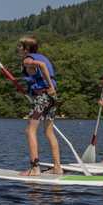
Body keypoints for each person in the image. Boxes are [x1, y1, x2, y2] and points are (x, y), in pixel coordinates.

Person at [17, 36, 61, 175]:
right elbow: (38, 74)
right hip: (51, 98)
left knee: (30, 131)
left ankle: (35, 167)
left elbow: (41, 66)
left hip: (43, 97)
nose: (18, 48)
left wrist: (49, 85)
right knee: (49, 132)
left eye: (20, 46)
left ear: (26, 48)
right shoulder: (43, 57)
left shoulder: (27, 59)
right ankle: (57, 168)